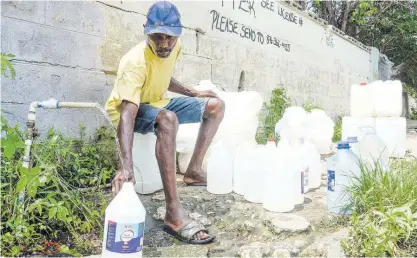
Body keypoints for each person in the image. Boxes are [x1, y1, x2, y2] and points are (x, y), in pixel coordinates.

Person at [104, 1, 224, 244]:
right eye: (157, 37)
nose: (164, 44)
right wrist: (126, 165)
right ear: (147, 32)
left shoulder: (174, 46)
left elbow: (164, 77)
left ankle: (194, 171)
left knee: (215, 105)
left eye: (169, 37)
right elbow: (128, 112)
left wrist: (191, 92)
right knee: (168, 120)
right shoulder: (134, 61)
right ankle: (173, 213)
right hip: (130, 111)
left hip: (157, 102)